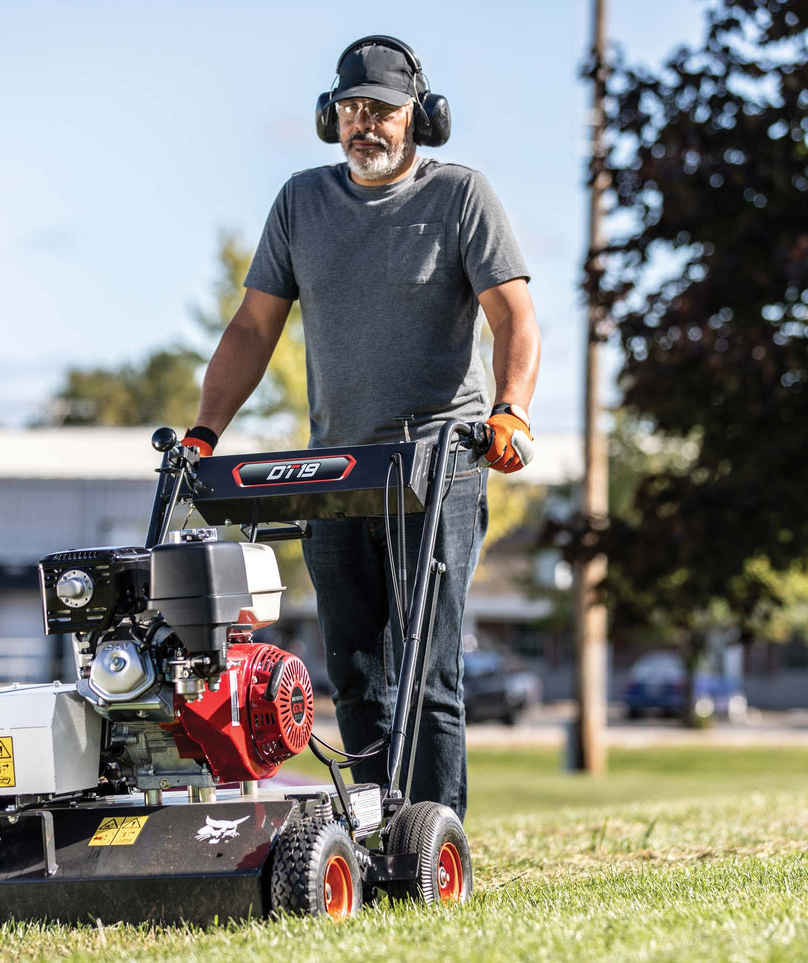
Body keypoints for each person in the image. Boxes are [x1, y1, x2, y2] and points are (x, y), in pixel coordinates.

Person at [182, 35, 540, 820]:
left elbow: (513, 314)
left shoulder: (461, 197)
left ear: (420, 117)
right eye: (350, 110)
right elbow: (252, 328)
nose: (363, 124)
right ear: (329, 118)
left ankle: (435, 841)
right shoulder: (300, 203)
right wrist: (203, 432)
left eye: (381, 110)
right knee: (353, 672)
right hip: (337, 470)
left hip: (439, 462)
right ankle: (378, 829)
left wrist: (510, 409)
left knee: (427, 671)